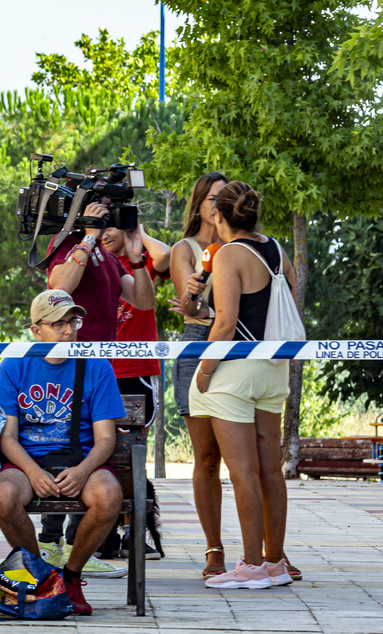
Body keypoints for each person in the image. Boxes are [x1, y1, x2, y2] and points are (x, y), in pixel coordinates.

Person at [0, 289, 128, 616]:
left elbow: (105, 438)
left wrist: (82, 471)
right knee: (4, 495)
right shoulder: (14, 364)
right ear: (36, 330)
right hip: (27, 461)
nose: (68, 330)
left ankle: (72, 576)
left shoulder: (95, 364)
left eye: (72, 321)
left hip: (80, 460)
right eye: (57, 324)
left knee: (109, 495)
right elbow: (7, 436)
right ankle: (40, 576)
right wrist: (33, 473)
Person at [38, 206, 153, 577]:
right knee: (67, 446)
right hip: (66, 364)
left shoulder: (108, 256)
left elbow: (143, 300)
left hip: (99, 367)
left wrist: (137, 261)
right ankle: (49, 544)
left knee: (89, 448)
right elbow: (59, 287)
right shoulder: (68, 243)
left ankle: (74, 546)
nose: (108, 224)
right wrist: (86, 235)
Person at [190, 182, 295, 590]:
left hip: (235, 368)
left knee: (242, 471)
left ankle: (251, 565)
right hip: (273, 367)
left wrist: (205, 369)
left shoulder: (229, 254)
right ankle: (274, 561)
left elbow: (225, 322)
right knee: (271, 468)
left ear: (219, 215)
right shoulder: (276, 249)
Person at [168, 171, 230, 578]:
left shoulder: (244, 246)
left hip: (242, 346)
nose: (218, 203)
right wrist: (195, 299)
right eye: (211, 197)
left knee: (254, 460)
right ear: (198, 204)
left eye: (225, 197)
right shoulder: (185, 249)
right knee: (207, 457)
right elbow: (189, 309)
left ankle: (269, 550)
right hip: (197, 344)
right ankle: (214, 550)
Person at [100, 223, 170, 559]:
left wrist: (135, 234)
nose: (105, 234)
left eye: (112, 226)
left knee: (131, 453)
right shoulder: (93, 262)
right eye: (101, 227)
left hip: (137, 369)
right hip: (102, 369)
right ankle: (103, 530)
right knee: (100, 449)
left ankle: (133, 531)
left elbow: (166, 255)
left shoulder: (136, 261)